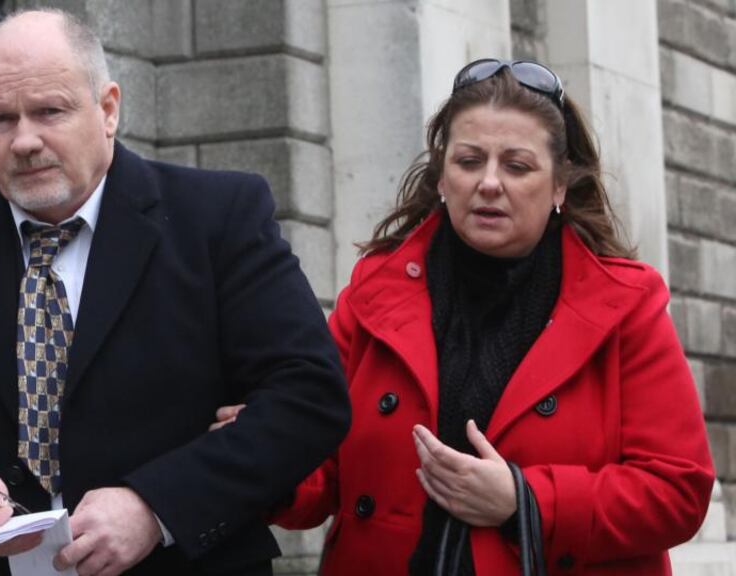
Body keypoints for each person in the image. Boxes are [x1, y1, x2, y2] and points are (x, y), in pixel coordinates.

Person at [0, 9, 350, 576]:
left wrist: (155, 507)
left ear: (107, 109)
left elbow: (309, 395)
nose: (24, 140)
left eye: (49, 111)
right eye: (0, 119)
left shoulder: (216, 219)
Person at [216, 59, 715, 575]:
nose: (489, 183)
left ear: (561, 186)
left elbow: (677, 490)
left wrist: (525, 502)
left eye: (517, 166)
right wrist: (260, 452)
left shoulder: (625, 305)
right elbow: (321, 465)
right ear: (441, 176)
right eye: (469, 161)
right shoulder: (374, 293)